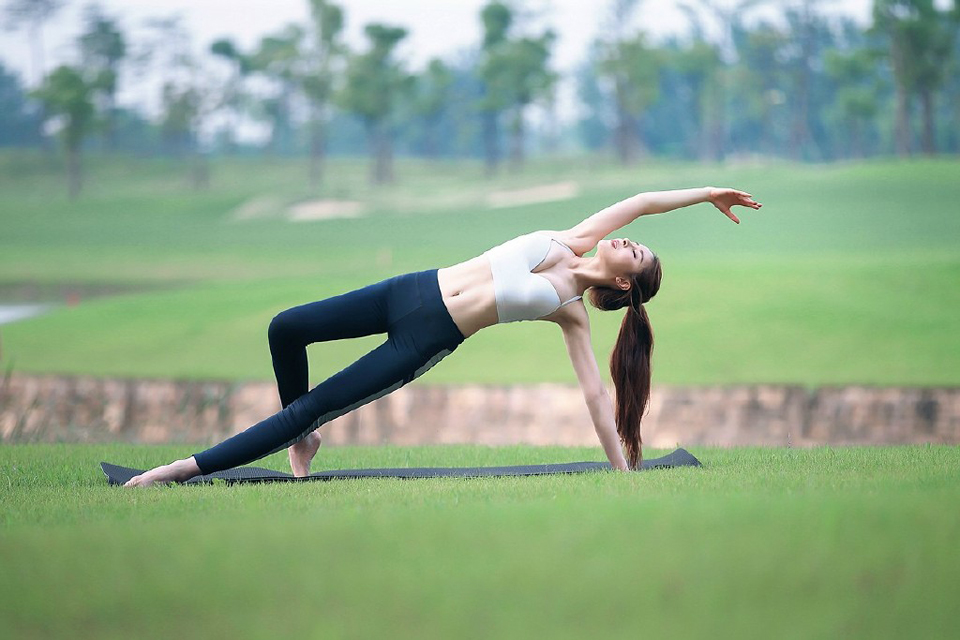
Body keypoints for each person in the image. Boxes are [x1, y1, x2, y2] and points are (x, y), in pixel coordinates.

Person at [124, 186, 761, 487]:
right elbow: (645, 200)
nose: (629, 241)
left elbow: (597, 397)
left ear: (625, 287)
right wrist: (707, 194)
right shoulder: (578, 237)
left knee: (311, 405)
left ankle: (178, 471)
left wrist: (622, 472)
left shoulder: (570, 310)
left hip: (424, 340)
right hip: (410, 289)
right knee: (285, 327)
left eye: (637, 254)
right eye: (635, 241)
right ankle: (301, 434)